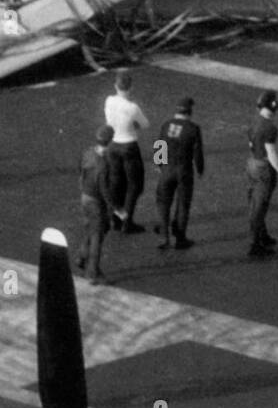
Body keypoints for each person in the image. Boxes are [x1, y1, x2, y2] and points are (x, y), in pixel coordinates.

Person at [153, 97, 204, 250]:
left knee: (163, 203)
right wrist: (200, 169)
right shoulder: (193, 128)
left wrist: (158, 163)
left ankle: (164, 236)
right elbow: (197, 152)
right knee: (183, 204)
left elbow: (159, 144)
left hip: (166, 169)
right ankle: (180, 238)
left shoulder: (166, 125)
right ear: (189, 112)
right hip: (184, 170)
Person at [104, 69, 148, 233]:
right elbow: (144, 124)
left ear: (115, 86)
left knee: (116, 183)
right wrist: (132, 126)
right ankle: (127, 222)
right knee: (134, 185)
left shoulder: (108, 100)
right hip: (129, 145)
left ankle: (115, 218)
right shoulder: (133, 107)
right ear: (131, 87)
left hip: (113, 145)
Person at [246, 90, 278, 258]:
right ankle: (256, 244)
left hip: (252, 163)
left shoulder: (254, 122)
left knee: (256, 202)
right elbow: (271, 152)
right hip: (263, 166)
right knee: (260, 206)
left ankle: (262, 235)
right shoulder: (270, 127)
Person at [78, 126, 114, 283]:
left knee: (90, 228)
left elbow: (80, 170)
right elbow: (104, 189)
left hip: (85, 197)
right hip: (96, 201)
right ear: (109, 141)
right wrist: (115, 208)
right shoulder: (103, 164)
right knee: (97, 236)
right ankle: (93, 273)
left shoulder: (87, 153)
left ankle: (81, 257)